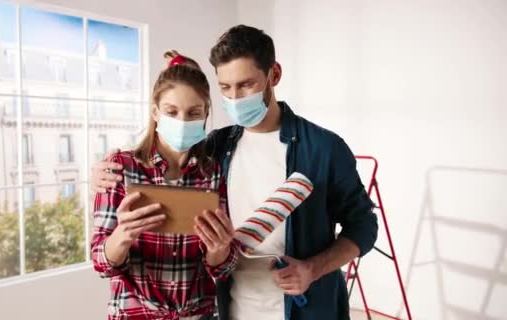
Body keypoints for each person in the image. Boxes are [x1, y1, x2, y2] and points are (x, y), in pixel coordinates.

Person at [92, 26, 378, 320]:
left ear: (274, 75)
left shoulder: (323, 147)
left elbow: (364, 225)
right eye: (225, 88)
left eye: (246, 84)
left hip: (305, 308)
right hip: (232, 309)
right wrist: (100, 177)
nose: (236, 98)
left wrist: (312, 269)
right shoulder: (217, 147)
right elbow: (165, 162)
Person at [91, 50, 238, 320]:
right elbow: (101, 264)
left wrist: (219, 249)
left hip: (199, 314)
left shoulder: (213, 173)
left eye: (194, 112)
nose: (183, 121)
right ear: (155, 112)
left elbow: (223, 268)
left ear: (206, 113)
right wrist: (123, 234)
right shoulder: (121, 168)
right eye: (172, 111)